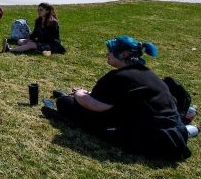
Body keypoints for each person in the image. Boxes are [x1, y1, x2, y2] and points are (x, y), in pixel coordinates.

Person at [45, 36, 191, 160]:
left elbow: (94, 106)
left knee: (65, 102)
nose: (107, 54)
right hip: (175, 136)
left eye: (110, 51)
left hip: (150, 140)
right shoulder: (150, 75)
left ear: (124, 54)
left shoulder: (118, 77)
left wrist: (79, 93)